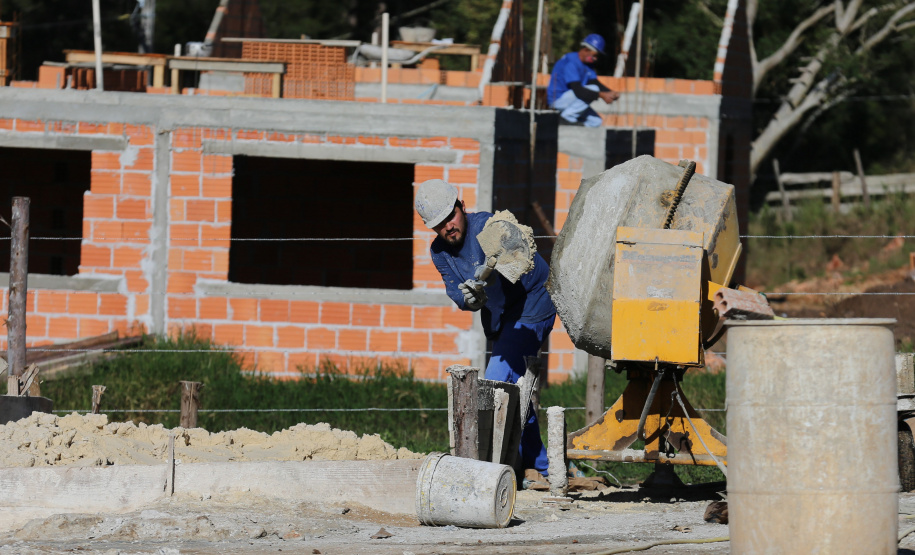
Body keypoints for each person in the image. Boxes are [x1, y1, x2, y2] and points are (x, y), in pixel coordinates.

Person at [415, 179, 555, 484]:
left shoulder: (489, 228)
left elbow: (524, 258)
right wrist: (471, 299)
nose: (447, 227)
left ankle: (492, 471)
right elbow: (460, 296)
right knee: (514, 389)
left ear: (461, 207)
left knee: (494, 381)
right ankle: (541, 466)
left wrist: (498, 270)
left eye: (450, 217)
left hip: (532, 303)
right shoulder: (441, 253)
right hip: (502, 316)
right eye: (438, 224)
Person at [547, 33, 621, 127]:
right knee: (594, 89)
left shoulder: (588, 65)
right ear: (586, 50)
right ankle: (567, 117)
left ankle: (573, 128)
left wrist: (610, 92)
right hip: (558, 101)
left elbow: (593, 82)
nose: (595, 59)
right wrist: (602, 95)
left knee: (596, 122)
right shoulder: (571, 62)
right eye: (594, 56)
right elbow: (578, 90)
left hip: (573, 102)